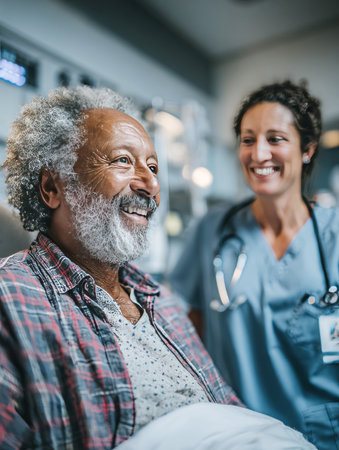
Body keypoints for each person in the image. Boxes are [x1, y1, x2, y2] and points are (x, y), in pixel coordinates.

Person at [0, 86, 241, 448]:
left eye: (154, 167)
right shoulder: (10, 298)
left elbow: (231, 413)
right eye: (123, 160)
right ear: (52, 187)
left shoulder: (163, 304)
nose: (151, 184)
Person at [169, 80, 339, 450]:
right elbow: (185, 320)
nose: (258, 153)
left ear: (307, 149)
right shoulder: (213, 229)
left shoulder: (335, 234)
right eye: (248, 140)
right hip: (237, 434)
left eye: (275, 138)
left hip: (323, 436)